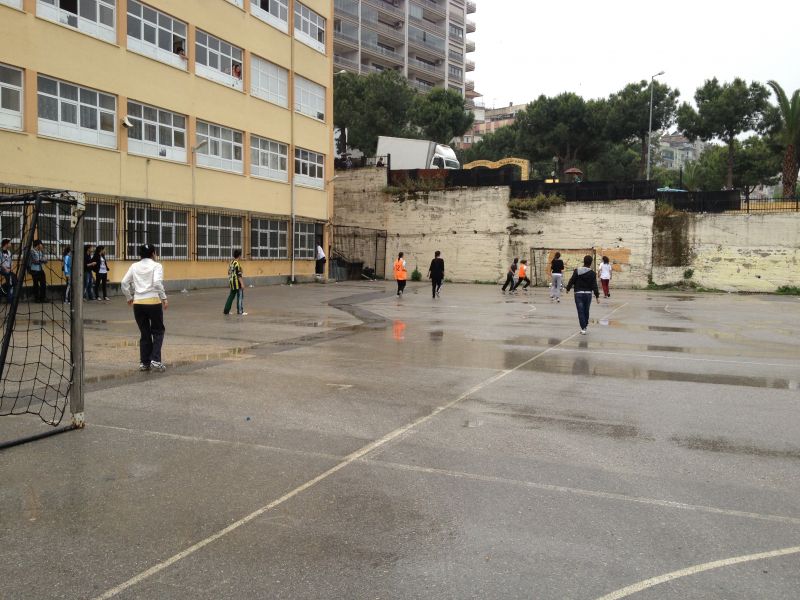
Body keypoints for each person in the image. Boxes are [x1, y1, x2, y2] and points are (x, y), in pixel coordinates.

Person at [121, 243, 168, 372]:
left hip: (138, 303)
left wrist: (129, 297)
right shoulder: (157, 266)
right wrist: (164, 298)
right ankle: (156, 359)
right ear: (153, 254)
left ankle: (144, 362)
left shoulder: (134, 266)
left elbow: (124, 283)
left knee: (145, 333)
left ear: (140, 254)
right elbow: (157, 283)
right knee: (158, 331)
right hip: (153, 302)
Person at [565, 255, 600, 335]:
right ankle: (585, 324)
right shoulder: (592, 273)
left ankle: (583, 327)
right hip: (588, 294)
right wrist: (597, 296)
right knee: (586, 310)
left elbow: (572, 280)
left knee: (580, 311)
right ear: (591, 263)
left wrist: (568, 288)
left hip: (578, 294)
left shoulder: (577, 271)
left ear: (583, 261)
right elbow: (594, 285)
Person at [223, 249, 247, 316]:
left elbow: (229, 272)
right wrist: (242, 284)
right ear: (239, 256)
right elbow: (239, 275)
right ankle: (240, 311)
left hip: (231, 281)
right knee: (240, 297)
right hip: (237, 283)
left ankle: (226, 311)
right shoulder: (237, 263)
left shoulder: (231, 263)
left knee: (231, 296)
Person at [1, 238, 16, 304]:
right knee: (9, 280)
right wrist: (6, 269)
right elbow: (1, 263)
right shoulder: (0, 252)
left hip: (9, 268)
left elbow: (11, 261)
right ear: (6, 244)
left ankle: (2, 288)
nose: (10, 244)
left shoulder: (9, 252)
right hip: (2, 269)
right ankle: (10, 299)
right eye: (9, 243)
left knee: (15, 279)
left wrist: (11, 268)